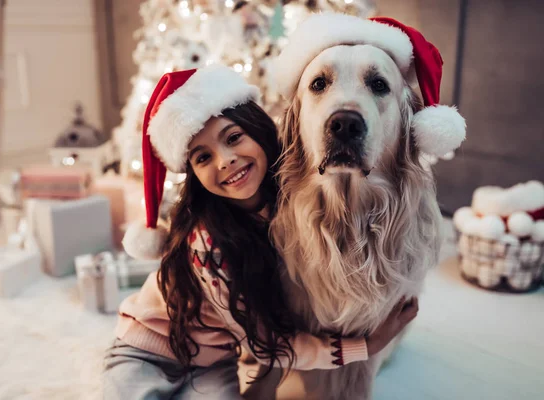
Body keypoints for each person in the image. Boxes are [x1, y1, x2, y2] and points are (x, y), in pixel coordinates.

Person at [103, 64, 418, 399]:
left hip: (213, 362)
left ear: (258, 130)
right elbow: (268, 345)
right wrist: (365, 347)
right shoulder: (207, 243)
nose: (224, 161)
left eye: (234, 137)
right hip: (147, 350)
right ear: (193, 173)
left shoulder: (291, 199)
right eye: (203, 157)